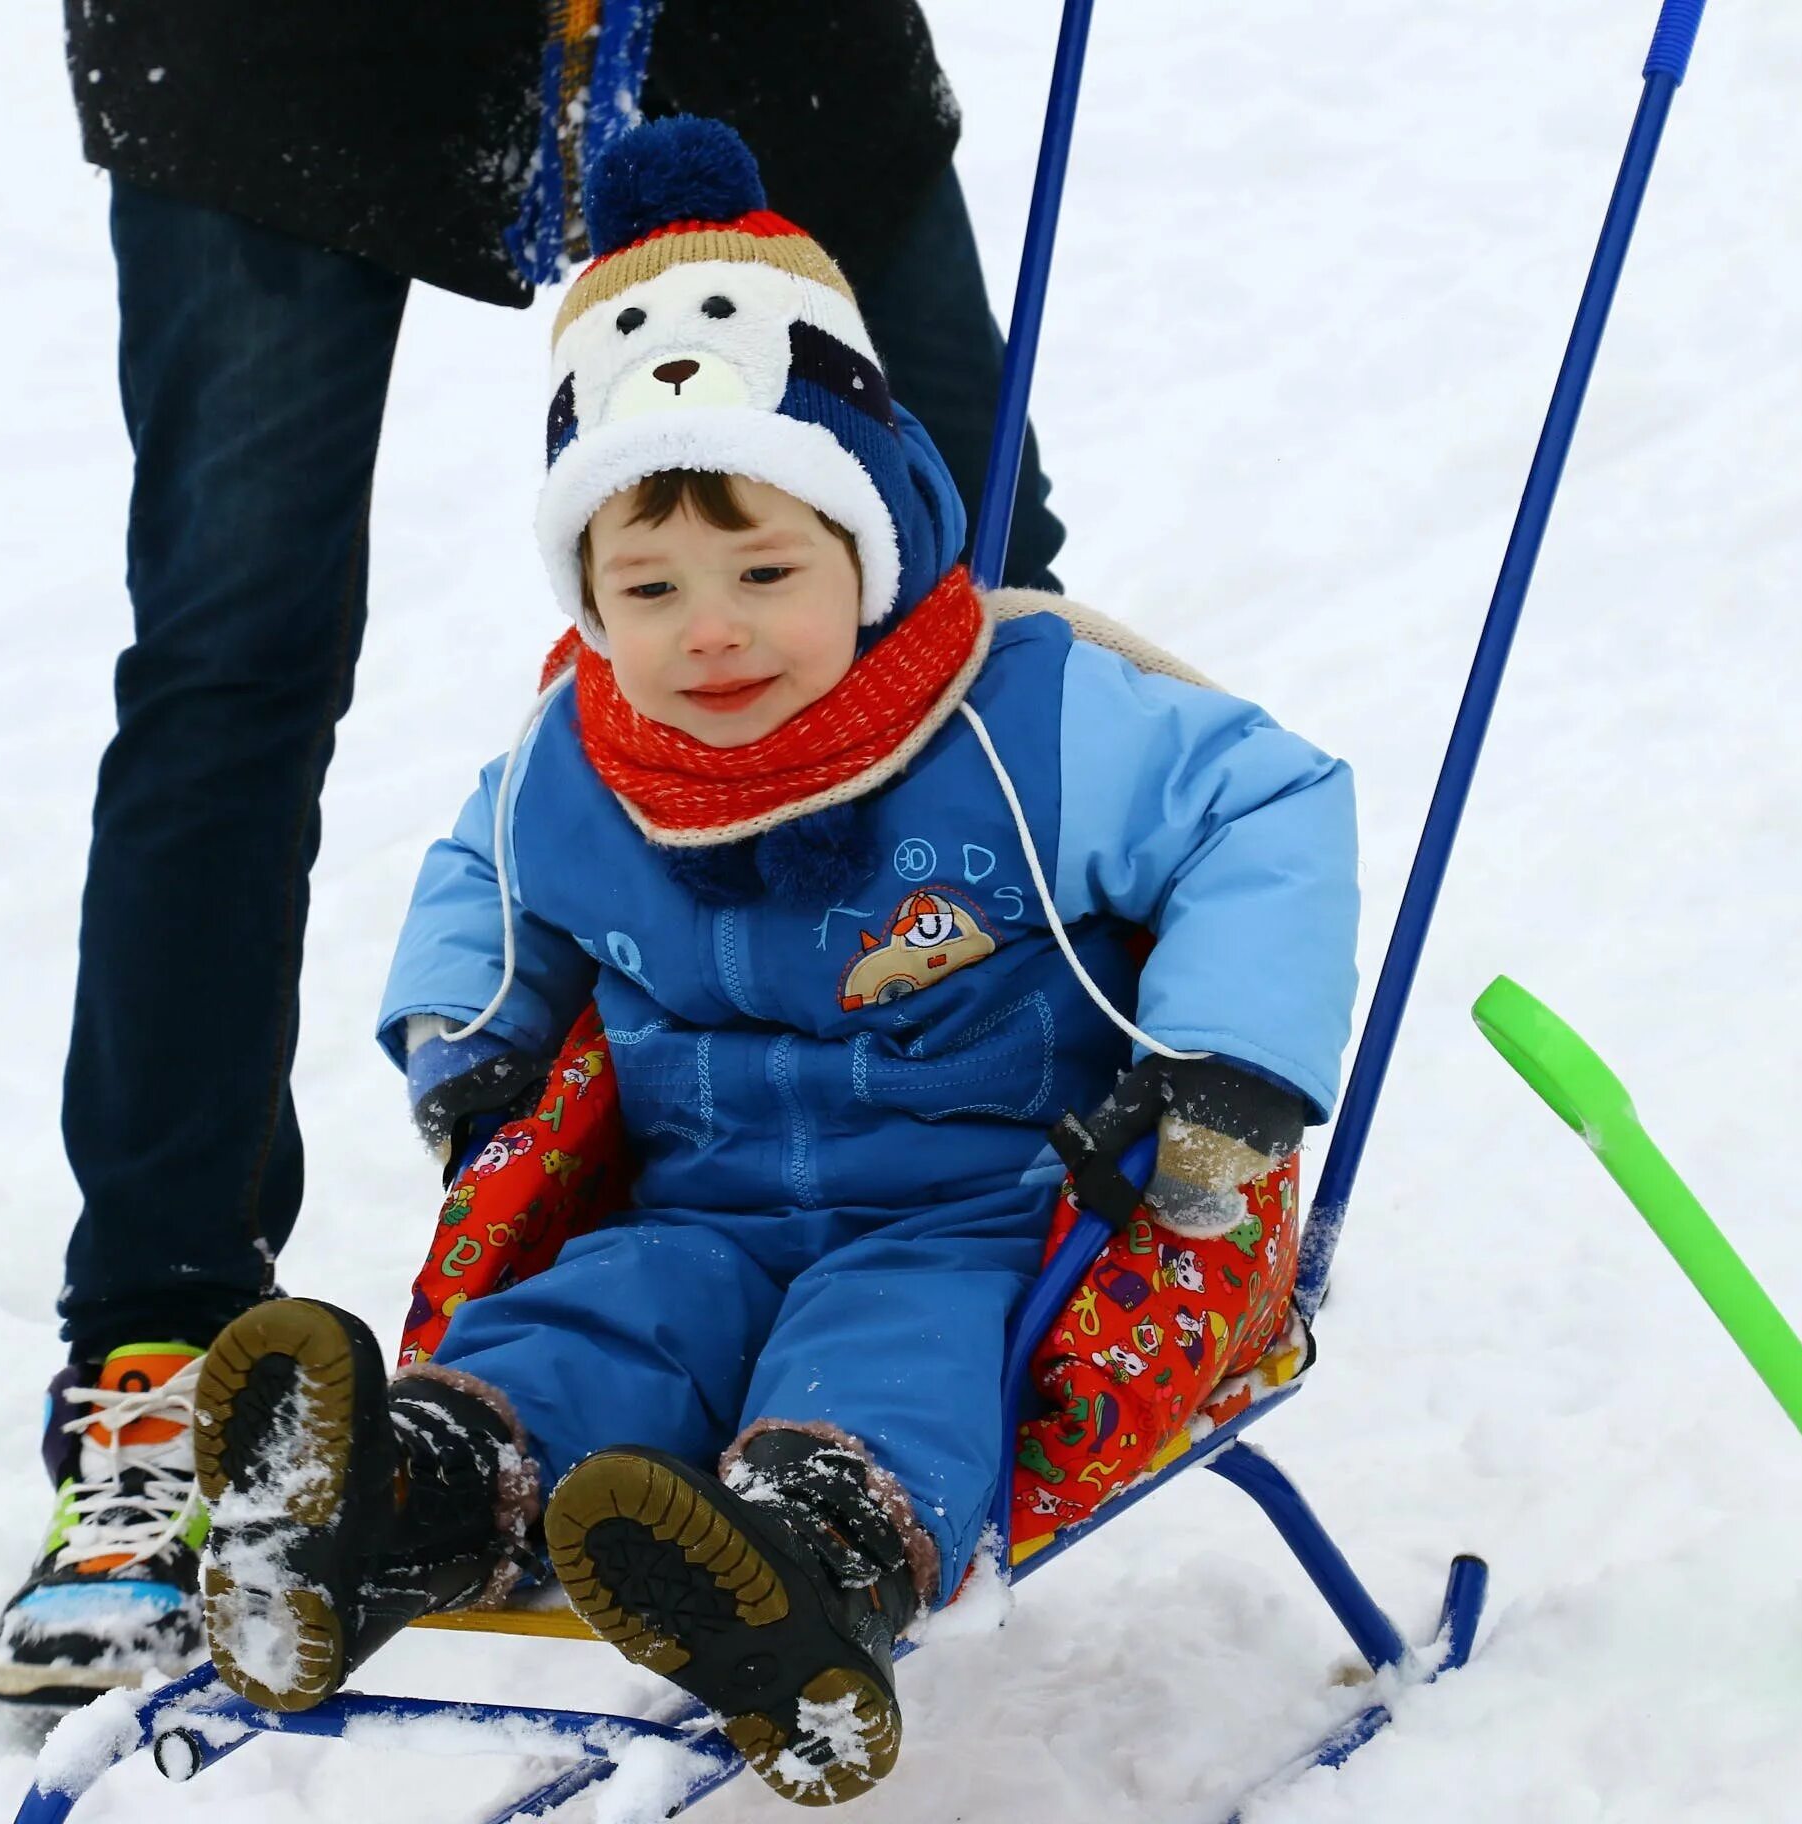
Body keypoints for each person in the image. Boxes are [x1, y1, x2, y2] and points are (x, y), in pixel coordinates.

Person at [184, 118, 1359, 1805]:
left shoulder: (1022, 712)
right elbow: (485, 877)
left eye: (764, 569)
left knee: (894, 1358)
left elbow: (1271, 803)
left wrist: (1226, 1056)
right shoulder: (583, 758)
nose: (709, 628)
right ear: (588, 594)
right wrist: (474, 1028)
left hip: (980, 1206)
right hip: (702, 1202)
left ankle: (807, 1567)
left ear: (871, 547)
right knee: (593, 1325)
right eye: (648, 584)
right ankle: (399, 1499)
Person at [0, 1, 1068, 1705]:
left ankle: (1006, 1212)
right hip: (273, 55)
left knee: (961, 571)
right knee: (229, 659)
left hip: (750, 29)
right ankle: (156, 1350)